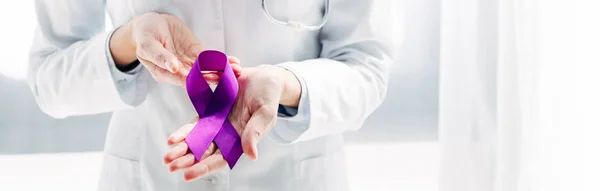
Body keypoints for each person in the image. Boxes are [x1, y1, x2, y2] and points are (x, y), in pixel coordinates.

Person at [28, 0, 391, 190]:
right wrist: (128, 42)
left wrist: (286, 84)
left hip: (294, 176)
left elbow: (364, 64)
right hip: (151, 176)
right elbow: (50, 76)